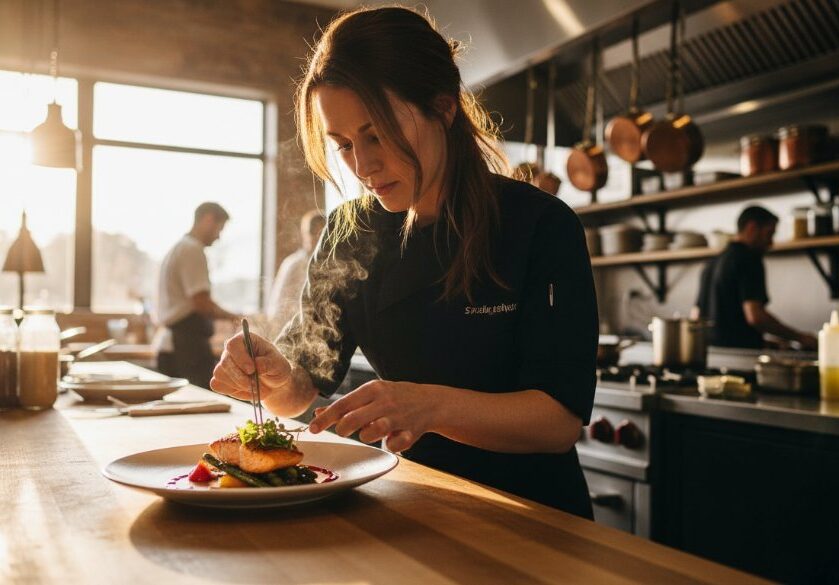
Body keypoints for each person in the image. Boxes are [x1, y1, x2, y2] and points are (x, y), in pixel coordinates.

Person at [210, 7, 598, 518]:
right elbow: (301, 387)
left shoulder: (539, 224)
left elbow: (557, 424)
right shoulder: (351, 232)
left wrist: (429, 406)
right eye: (343, 145)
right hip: (413, 503)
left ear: (443, 108)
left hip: (534, 515)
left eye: (378, 134)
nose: (362, 165)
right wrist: (275, 376)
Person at [693, 205, 817, 349]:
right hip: (741, 356)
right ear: (752, 228)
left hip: (712, 352)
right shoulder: (749, 258)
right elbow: (755, 317)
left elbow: (696, 315)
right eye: (769, 234)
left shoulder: (711, 263)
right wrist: (800, 337)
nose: (770, 243)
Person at [157, 202, 239, 389]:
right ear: (208, 219)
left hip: (177, 346)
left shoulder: (179, 247)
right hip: (186, 348)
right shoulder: (192, 249)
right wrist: (234, 317)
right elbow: (201, 302)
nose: (218, 237)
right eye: (219, 229)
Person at [266, 210, 326, 336]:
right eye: (313, 233)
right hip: (292, 332)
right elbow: (278, 308)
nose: (318, 238)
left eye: (322, 233)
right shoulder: (294, 265)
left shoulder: (331, 265)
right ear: (305, 235)